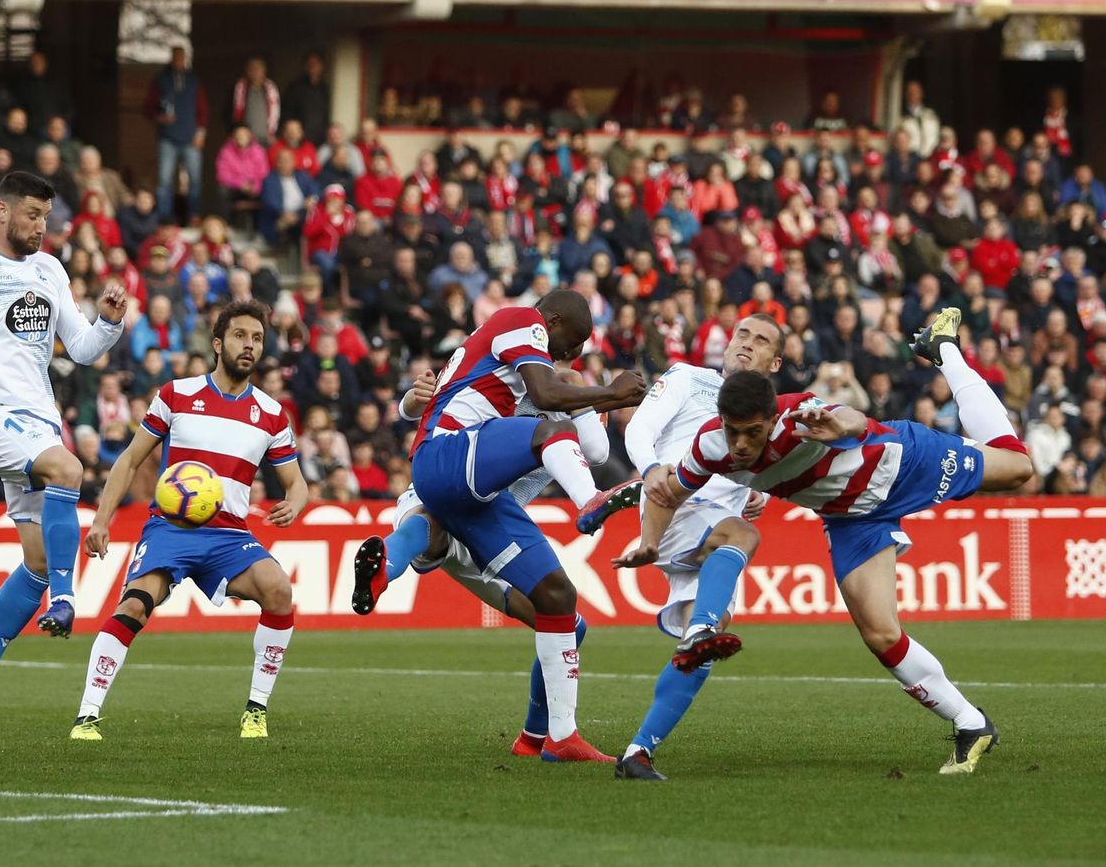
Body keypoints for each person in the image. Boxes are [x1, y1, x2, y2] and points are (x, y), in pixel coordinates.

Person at [622, 307, 1036, 776]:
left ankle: (944, 351)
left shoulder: (800, 416)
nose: (739, 445)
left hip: (901, 467)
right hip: (849, 518)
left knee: (1017, 467)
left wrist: (841, 424)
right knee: (881, 635)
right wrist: (649, 543)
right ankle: (971, 723)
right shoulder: (710, 446)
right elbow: (665, 492)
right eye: (731, 432)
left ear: (772, 418)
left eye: (752, 433)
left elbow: (849, 417)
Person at [350, 291, 648, 761]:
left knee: (559, 601)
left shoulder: (518, 373)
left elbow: (591, 445)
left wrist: (585, 393)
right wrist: (609, 392)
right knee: (548, 436)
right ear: (549, 321)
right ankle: (590, 502)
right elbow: (549, 400)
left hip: (482, 499)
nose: (569, 354)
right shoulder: (520, 323)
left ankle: (555, 738)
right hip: (446, 460)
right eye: (570, 341)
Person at [0, 171, 128, 731]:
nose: (42, 227)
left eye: (47, 217)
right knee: (69, 467)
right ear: (2, 210)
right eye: (33, 215)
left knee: (35, 562)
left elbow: (82, 349)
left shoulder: (49, 270)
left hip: (38, 424)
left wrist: (109, 322)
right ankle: (67, 597)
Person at [73, 302, 310, 741]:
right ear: (218, 344)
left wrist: (294, 503)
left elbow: (297, 483)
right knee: (135, 605)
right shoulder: (176, 395)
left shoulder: (272, 414)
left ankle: (256, 709)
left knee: (279, 590)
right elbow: (129, 460)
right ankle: (88, 714)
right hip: (171, 529)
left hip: (229, 534)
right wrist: (101, 521)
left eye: (257, 339)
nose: (249, 346)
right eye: (240, 336)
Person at [611, 313, 782, 781]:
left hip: (710, 527)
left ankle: (637, 752)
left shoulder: (771, 415)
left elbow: (764, 472)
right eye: (742, 334)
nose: (747, 344)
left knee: (699, 652)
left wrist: (758, 493)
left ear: (775, 360)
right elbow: (638, 432)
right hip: (673, 502)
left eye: (761, 340)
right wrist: (650, 473)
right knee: (743, 538)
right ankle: (702, 628)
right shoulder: (688, 377)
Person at [145, 46, 208, 219]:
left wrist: (201, 132)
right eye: (176, 58)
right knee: (165, 181)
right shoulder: (161, 80)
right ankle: (165, 218)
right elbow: (148, 108)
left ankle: (194, 215)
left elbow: (203, 109)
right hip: (168, 138)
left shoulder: (194, 81)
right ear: (171, 59)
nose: (179, 61)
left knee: (194, 181)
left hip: (191, 137)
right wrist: (160, 118)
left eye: (181, 58)